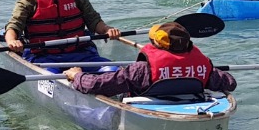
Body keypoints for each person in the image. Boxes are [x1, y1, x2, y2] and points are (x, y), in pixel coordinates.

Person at [64, 22, 237, 97]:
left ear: (156, 45)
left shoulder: (142, 70)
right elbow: (230, 83)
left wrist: (78, 76)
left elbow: (98, 85)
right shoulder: (204, 68)